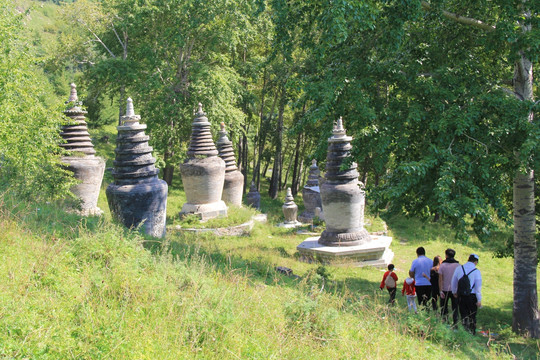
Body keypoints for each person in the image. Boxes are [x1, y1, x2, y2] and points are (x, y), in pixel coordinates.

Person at [451, 254, 482, 334]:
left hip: (461, 295)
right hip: (472, 296)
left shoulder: (459, 268)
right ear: (476, 262)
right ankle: (472, 331)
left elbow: (454, 281)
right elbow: (478, 288)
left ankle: (465, 330)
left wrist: (454, 292)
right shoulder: (476, 271)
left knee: (463, 313)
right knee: (472, 314)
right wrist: (479, 299)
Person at [438, 248, 460, 326]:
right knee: (455, 308)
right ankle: (455, 323)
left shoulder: (442, 265)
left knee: (444, 307)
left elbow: (440, 279)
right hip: (455, 290)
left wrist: (440, 290)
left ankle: (445, 322)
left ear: (446, 255)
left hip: (444, 289)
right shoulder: (458, 265)